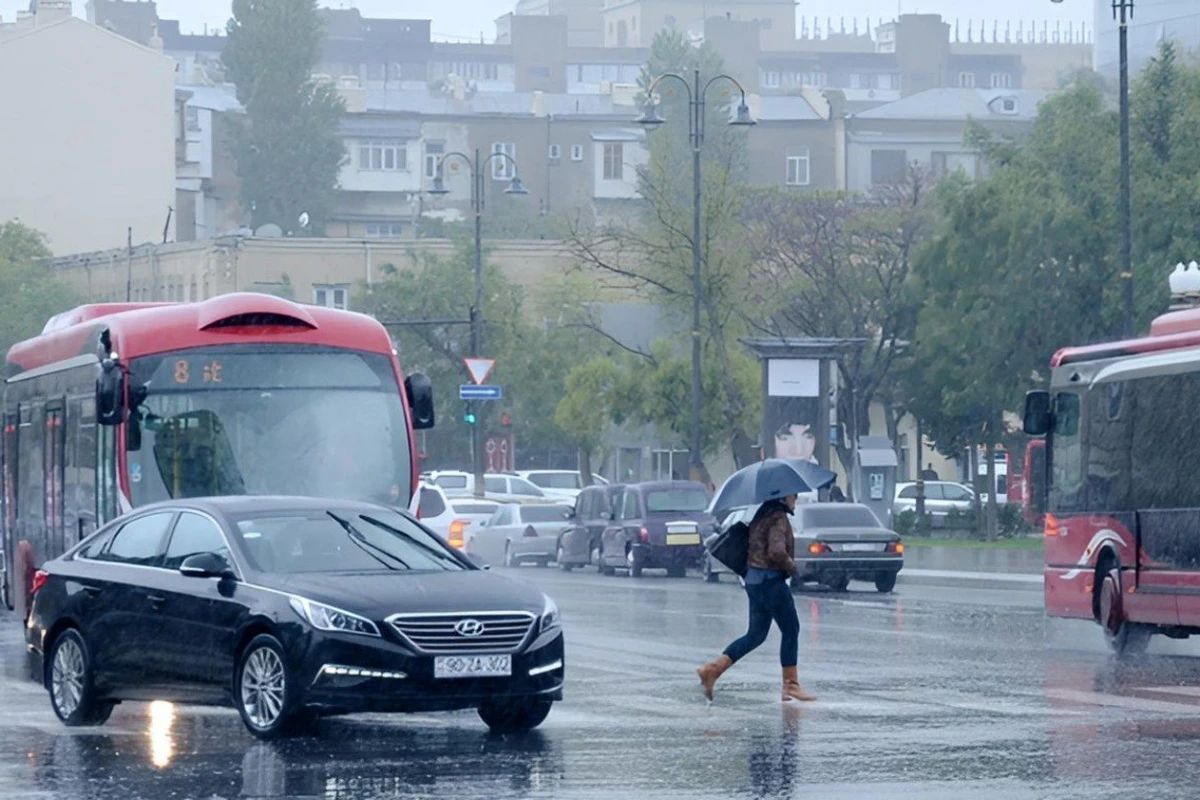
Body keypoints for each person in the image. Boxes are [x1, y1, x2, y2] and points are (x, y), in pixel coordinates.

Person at [695, 493, 817, 704]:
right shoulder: (778, 517)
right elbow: (777, 551)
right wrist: (793, 569)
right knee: (791, 629)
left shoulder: (762, 512)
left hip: (754, 581)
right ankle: (791, 685)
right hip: (771, 581)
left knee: (756, 634)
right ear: (784, 497)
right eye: (794, 497)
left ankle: (713, 670)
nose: (795, 500)